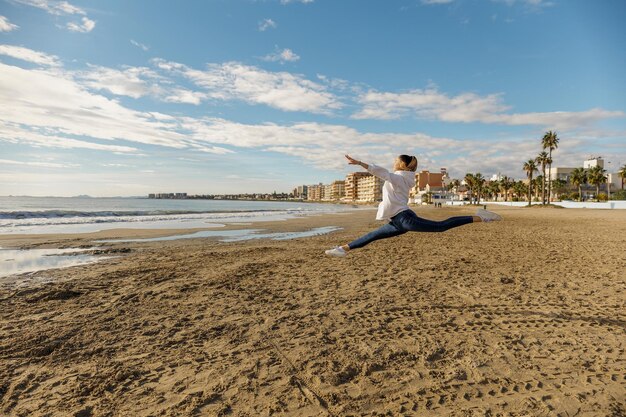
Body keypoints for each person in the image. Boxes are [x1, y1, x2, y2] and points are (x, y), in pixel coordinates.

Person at [325, 154, 502, 257]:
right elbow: (385, 173)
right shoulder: (404, 178)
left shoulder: (397, 177)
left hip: (404, 219)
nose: (393, 162)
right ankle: (342, 249)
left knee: (440, 227)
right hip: (399, 219)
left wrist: (361, 163)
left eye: (395, 160)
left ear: (401, 164)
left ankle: (482, 217)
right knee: (372, 235)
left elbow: (381, 172)